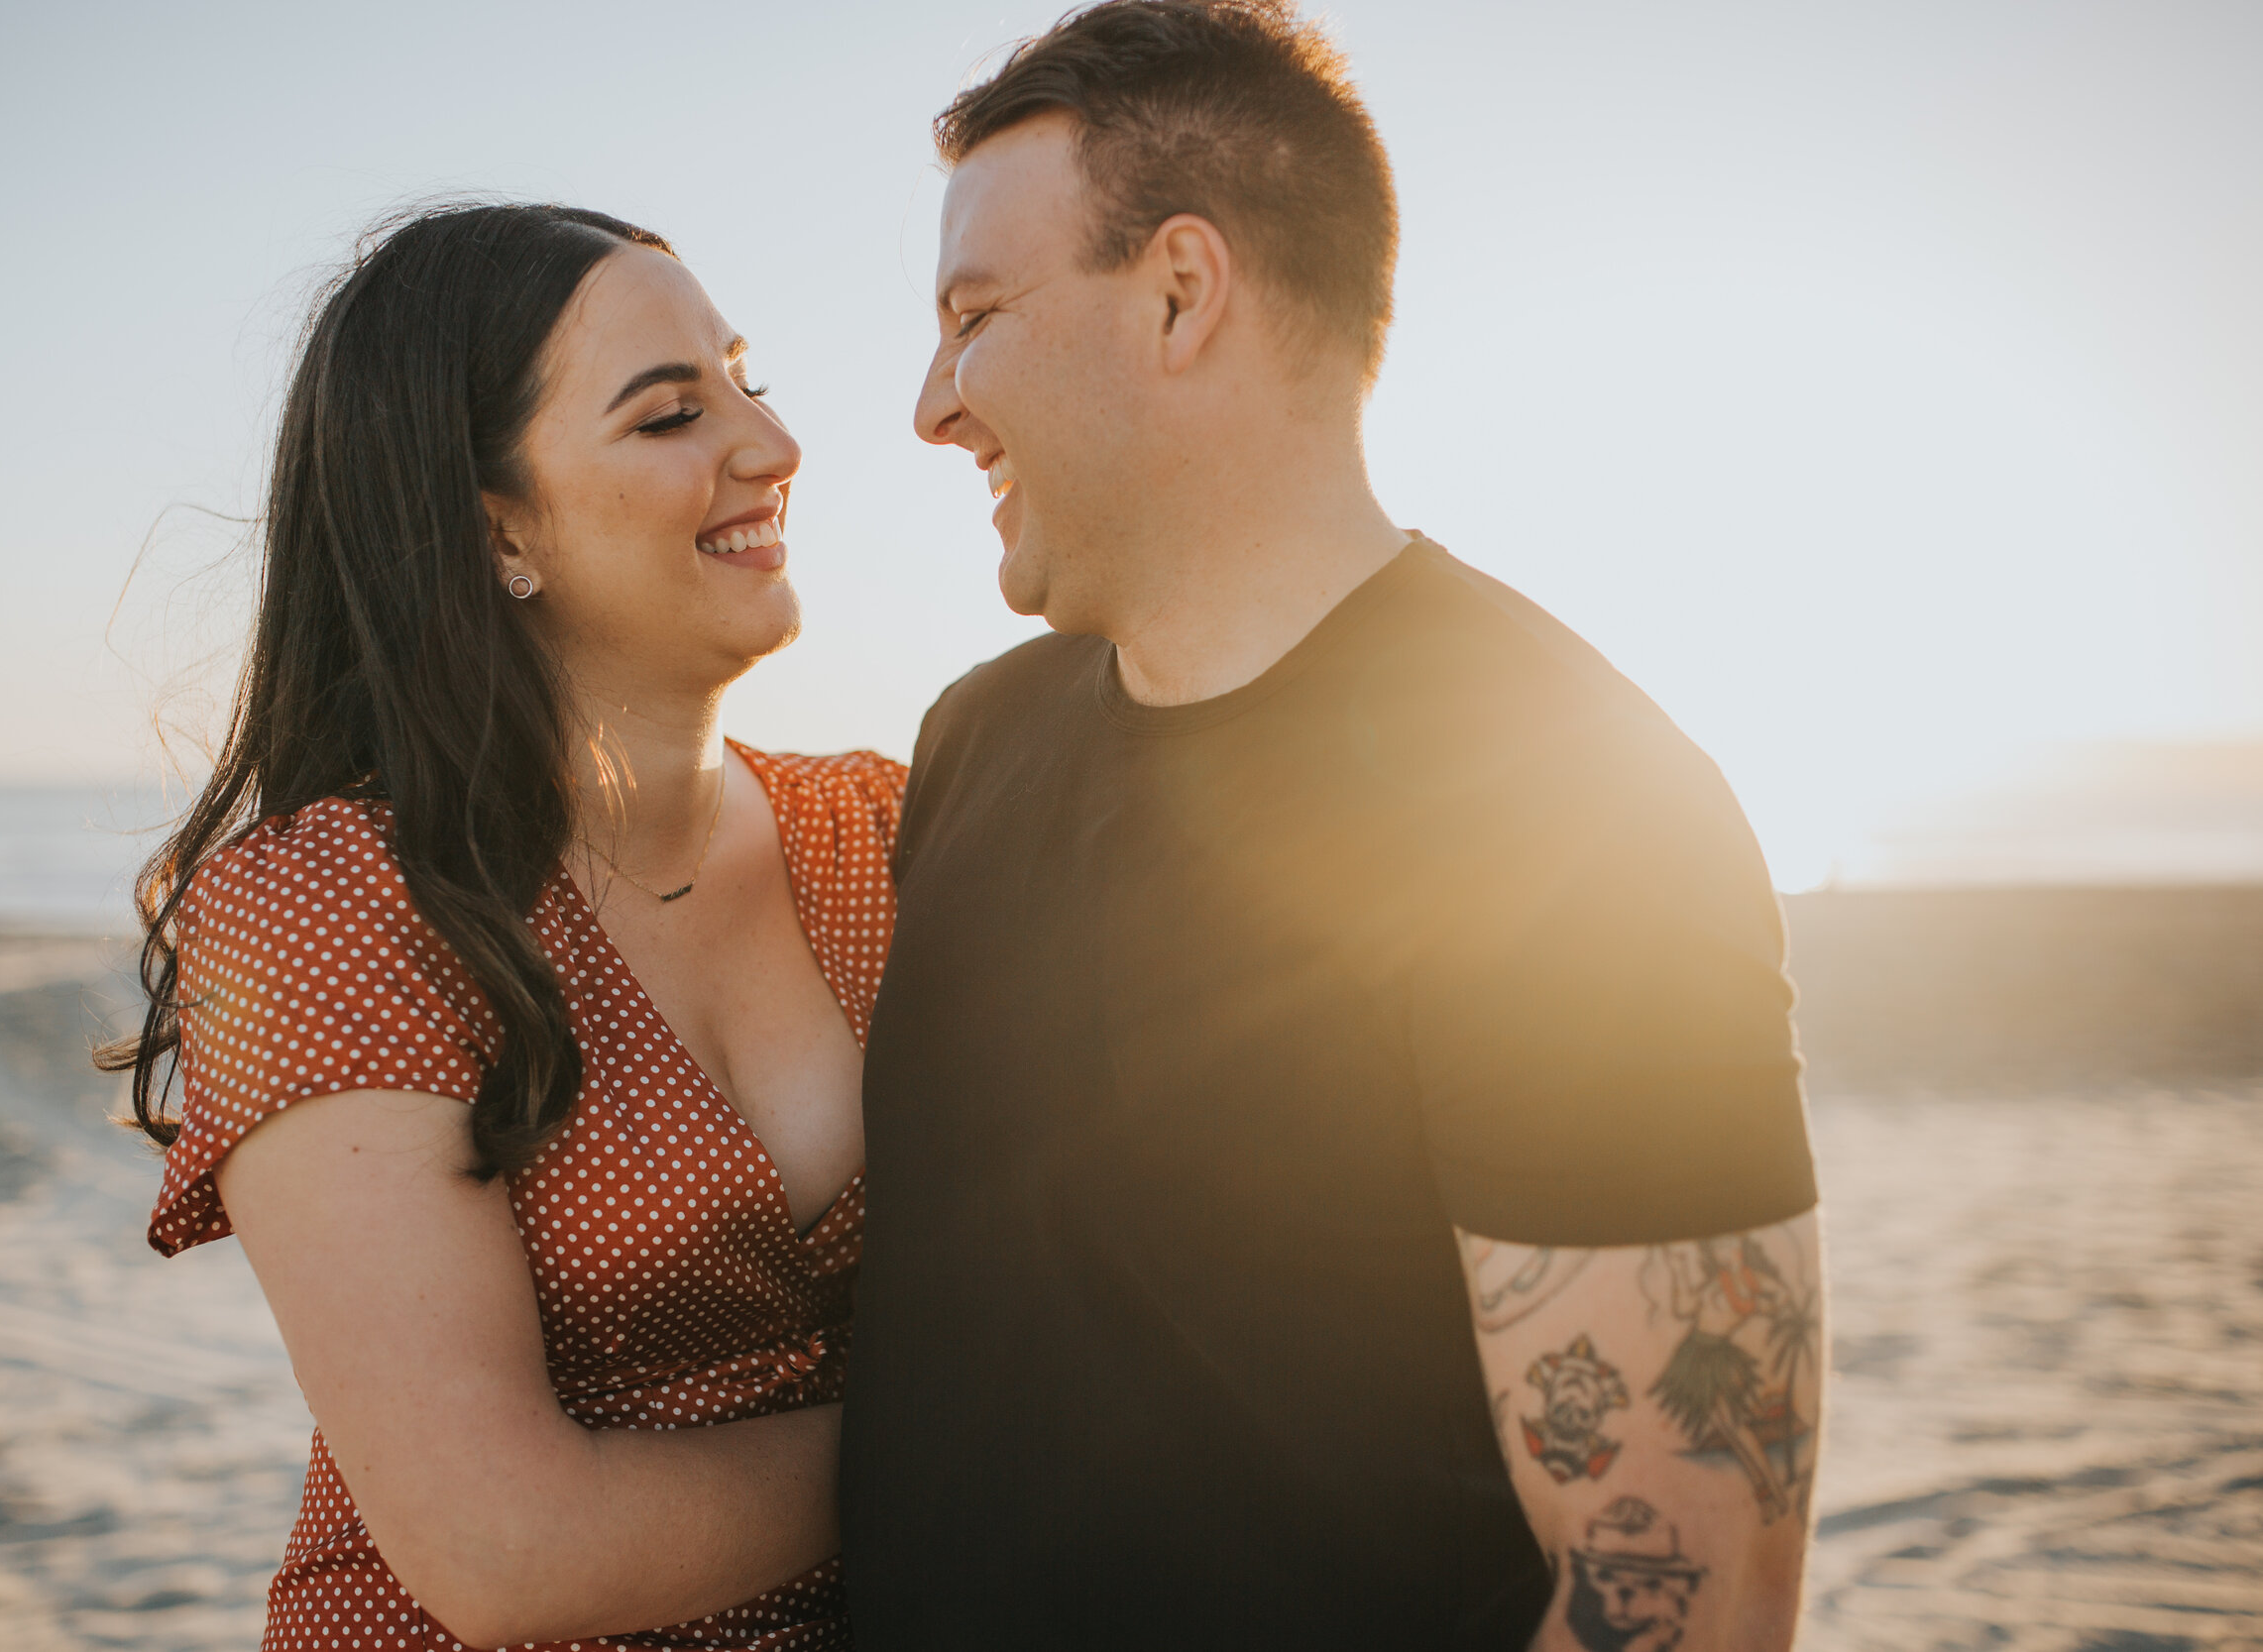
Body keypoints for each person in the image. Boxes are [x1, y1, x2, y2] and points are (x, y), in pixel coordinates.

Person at [842, 4, 1825, 1648]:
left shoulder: (1573, 808)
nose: (933, 405)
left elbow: (1683, 1599)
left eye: (974, 317)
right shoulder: (975, 744)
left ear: (1178, 292)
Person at [103, 202, 897, 1651]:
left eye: (747, 380)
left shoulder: (895, 836)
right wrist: (985, 1443)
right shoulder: (334, 905)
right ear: (496, 528)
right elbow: (505, 1551)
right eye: (670, 417)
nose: (772, 448)